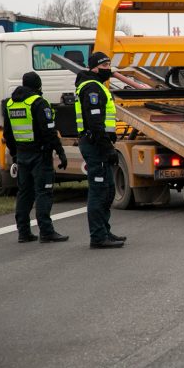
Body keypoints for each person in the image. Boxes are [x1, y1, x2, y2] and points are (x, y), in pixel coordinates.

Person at [2, 72, 70, 243]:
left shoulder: (10, 103)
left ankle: (23, 232)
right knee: (43, 193)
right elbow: (49, 132)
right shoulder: (39, 103)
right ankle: (46, 232)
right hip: (40, 155)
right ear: (38, 86)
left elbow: (8, 134)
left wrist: (15, 153)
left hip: (22, 154)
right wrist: (60, 152)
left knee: (24, 194)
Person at [75, 51, 126, 249]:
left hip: (99, 143)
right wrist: (107, 149)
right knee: (99, 191)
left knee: (108, 189)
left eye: (109, 65)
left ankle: (105, 231)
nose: (108, 69)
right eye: (104, 66)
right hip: (95, 144)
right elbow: (95, 124)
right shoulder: (91, 88)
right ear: (94, 67)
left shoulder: (96, 86)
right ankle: (97, 237)